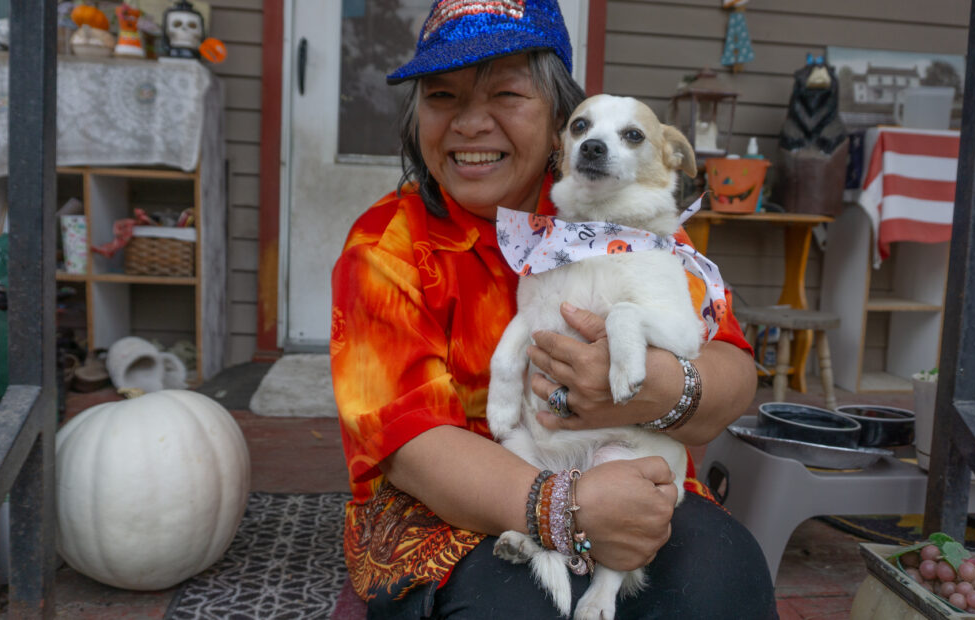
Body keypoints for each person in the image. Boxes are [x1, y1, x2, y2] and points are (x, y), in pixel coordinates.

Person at [330, 1, 777, 617]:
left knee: (723, 578)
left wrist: (659, 390)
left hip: (629, 472)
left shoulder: (618, 208)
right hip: (456, 505)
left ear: (561, 119)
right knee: (513, 609)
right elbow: (410, 445)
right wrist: (566, 507)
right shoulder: (386, 249)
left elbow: (732, 367)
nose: (470, 123)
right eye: (441, 96)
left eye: (507, 94)